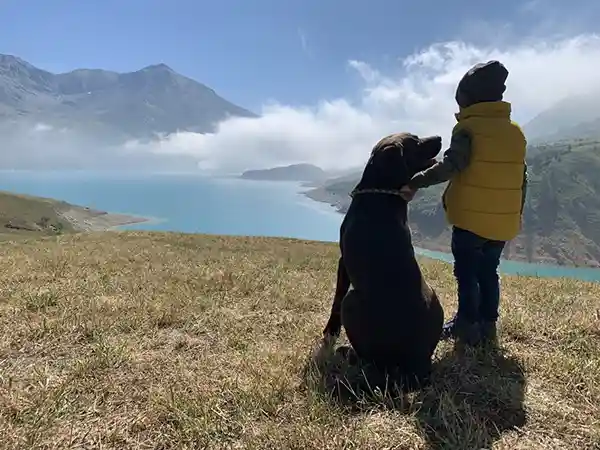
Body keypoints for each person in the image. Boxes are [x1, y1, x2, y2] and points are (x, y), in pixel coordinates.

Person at [399, 60, 528, 346]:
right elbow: (522, 177)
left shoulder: (468, 130)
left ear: (467, 98)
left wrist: (415, 181)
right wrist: (515, 212)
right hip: (502, 222)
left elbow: (451, 166)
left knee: (467, 274)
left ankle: (466, 323)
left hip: (470, 221)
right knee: (489, 272)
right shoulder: (515, 132)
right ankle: (488, 323)